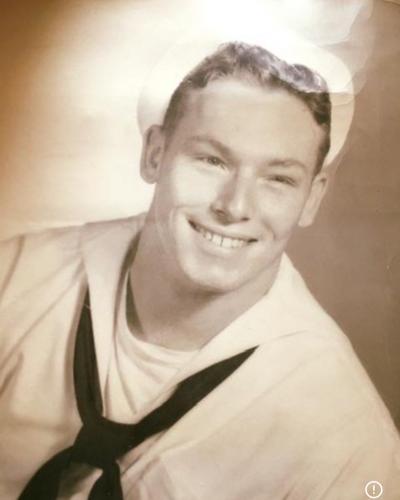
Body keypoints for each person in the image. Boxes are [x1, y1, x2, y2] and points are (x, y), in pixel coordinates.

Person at [0, 36, 399, 500]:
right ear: (155, 154)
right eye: (212, 160)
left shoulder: (349, 438)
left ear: (312, 197)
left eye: (278, 179)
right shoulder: (16, 278)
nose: (235, 206)